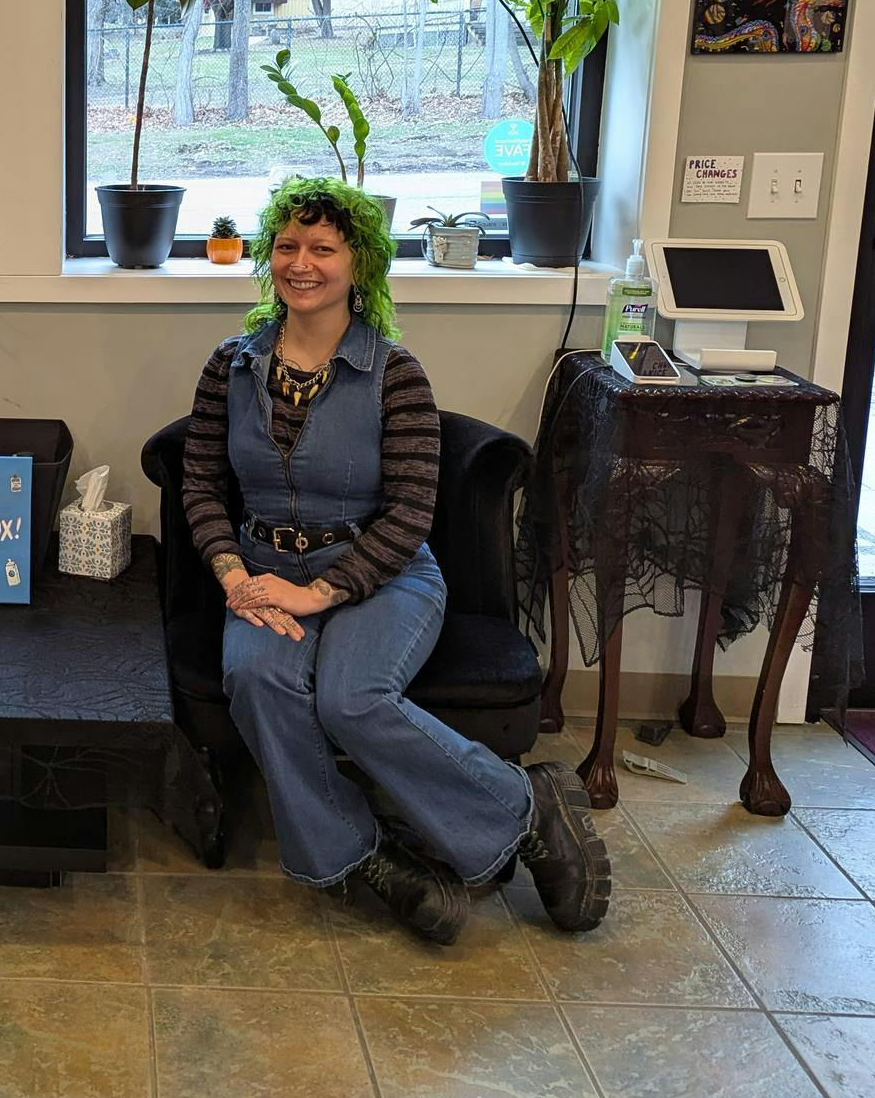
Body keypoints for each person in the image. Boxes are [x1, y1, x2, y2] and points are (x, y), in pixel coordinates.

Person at [181, 177, 609, 943]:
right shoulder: (232, 366)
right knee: (256, 676)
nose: (301, 263)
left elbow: (412, 511)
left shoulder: (394, 372)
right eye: (287, 246)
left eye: (323, 248)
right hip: (261, 571)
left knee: (353, 698)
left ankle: (525, 807)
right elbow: (202, 484)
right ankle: (362, 856)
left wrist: (323, 592)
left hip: (382, 573)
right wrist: (234, 576)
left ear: (360, 265)